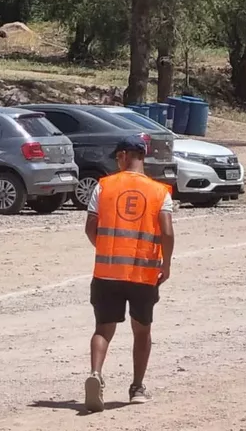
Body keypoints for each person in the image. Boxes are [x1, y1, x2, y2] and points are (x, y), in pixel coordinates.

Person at [83, 135, 175, 413]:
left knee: (103, 328)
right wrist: (166, 264)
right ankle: (136, 387)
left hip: (107, 271)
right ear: (142, 156)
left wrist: (106, 249)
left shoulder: (104, 186)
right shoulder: (160, 191)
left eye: (117, 156)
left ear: (124, 155)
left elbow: (90, 227)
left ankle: (96, 373)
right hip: (143, 273)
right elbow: (168, 232)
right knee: (142, 330)